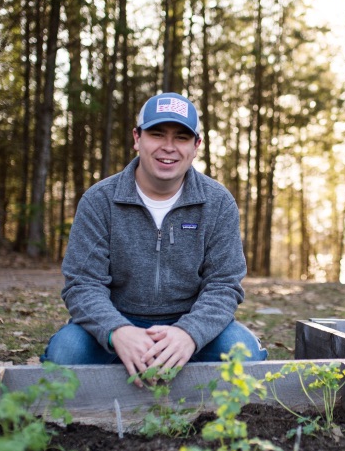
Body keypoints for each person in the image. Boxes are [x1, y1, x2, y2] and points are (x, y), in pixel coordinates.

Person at [42, 92, 267, 382]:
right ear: (137, 138)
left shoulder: (218, 203)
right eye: (157, 134)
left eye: (182, 138)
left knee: (245, 354)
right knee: (66, 353)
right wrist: (117, 332)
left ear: (196, 145)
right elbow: (83, 283)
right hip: (118, 321)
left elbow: (224, 285)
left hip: (191, 324)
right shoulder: (99, 201)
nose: (169, 147)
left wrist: (189, 333)